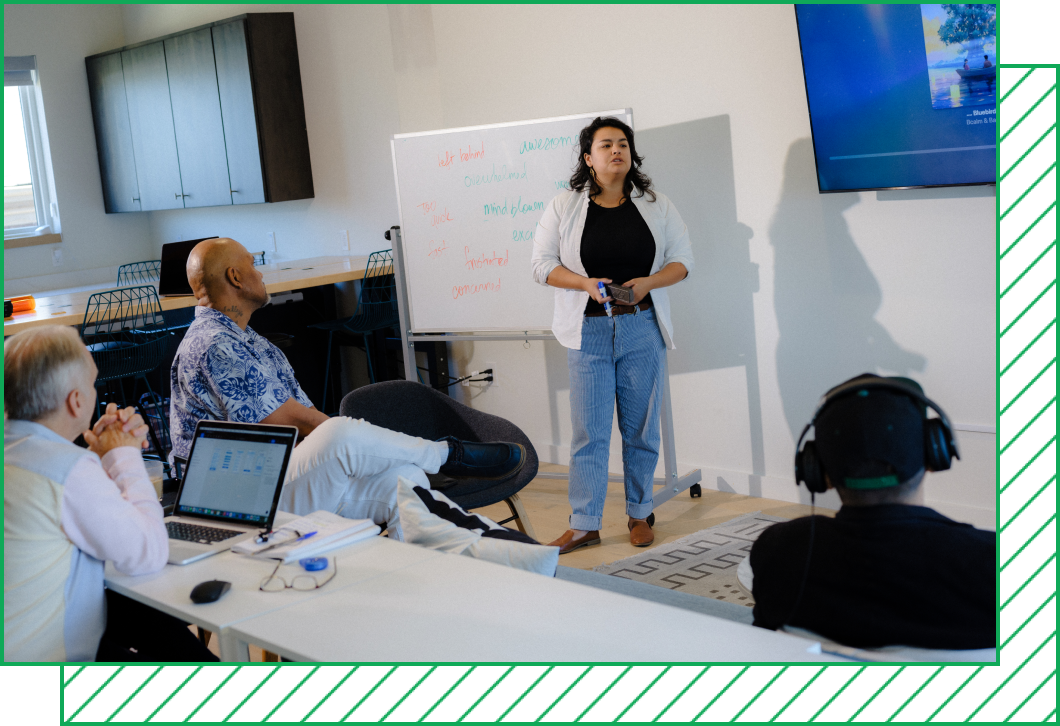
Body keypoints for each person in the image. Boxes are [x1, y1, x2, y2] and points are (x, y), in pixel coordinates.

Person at [169, 238, 524, 541]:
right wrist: (359, 446)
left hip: (273, 479)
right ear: (235, 277)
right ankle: (445, 456)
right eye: (252, 264)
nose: (260, 272)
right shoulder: (214, 343)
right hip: (238, 499)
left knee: (404, 479)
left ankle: (440, 567)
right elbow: (288, 421)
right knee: (339, 433)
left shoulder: (238, 335)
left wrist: (375, 454)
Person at [531, 117, 694, 553]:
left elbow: (683, 261)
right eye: (605, 145)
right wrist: (585, 284)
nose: (616, 151)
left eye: (622, 144)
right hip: (588, 332)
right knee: (590, 432)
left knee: (641, 429)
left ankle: (639, 514)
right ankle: (585, 523)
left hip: (642, 327)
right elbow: (541, 265)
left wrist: (648, 283)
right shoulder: (564, 206)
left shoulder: (656, 204)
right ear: (589, 158)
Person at [4, 326, 215, 662]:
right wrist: (126, 456)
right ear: (76, 401)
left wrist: (107, 458)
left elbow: (74, 516)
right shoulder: (65, 469)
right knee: (156, 624)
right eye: (92, 384)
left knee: (151, 622)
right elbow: (148, 552)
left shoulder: (25, 458)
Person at [748, 374, 996, 650]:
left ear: (819, 472)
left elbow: (763, 642)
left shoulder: (778, 550)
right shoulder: (989, 562)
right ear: (934, 454)